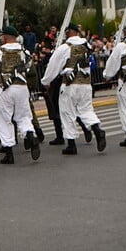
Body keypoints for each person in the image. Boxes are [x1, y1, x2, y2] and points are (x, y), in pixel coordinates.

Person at [40, 23, 106, 155]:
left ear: (69, 32)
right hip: (86, 84)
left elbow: (53, 65)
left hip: (70, 84)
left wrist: (46, 81)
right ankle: (97, 129)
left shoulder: (65, 48)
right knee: (86, 110)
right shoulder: (86, 46)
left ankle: (71, 144)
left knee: (67, 112)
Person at [0, 26, 40, 164]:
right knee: (24, 116)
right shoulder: (24, 51)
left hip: (5, 89)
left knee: (4, 120)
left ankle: (9, 153)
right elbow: (30, 68)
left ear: (5, 37)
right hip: (22, 87)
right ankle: (30, 136)